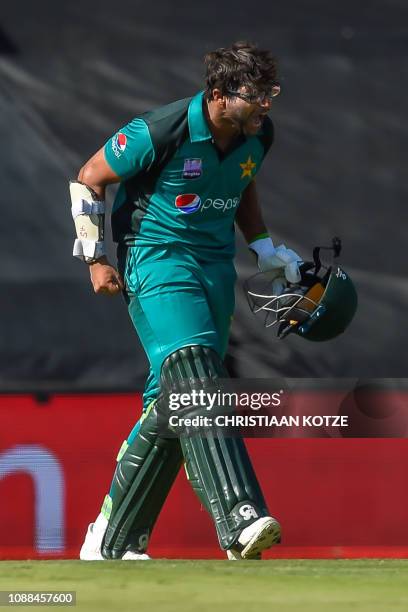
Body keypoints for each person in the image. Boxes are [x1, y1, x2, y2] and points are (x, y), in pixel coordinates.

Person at [70, 41, 301, 561]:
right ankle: (240, 514)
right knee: (195, 368)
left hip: (215, 266)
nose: (266, 104)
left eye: (271, 92)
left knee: (174, 401)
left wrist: (263, 245)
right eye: (255, 94)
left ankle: (113, 538)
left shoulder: (257, 133)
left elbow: (243, 182)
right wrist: (97, 258)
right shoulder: (163, 128)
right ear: (218, 95)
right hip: (155, 256)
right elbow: (90, 177)